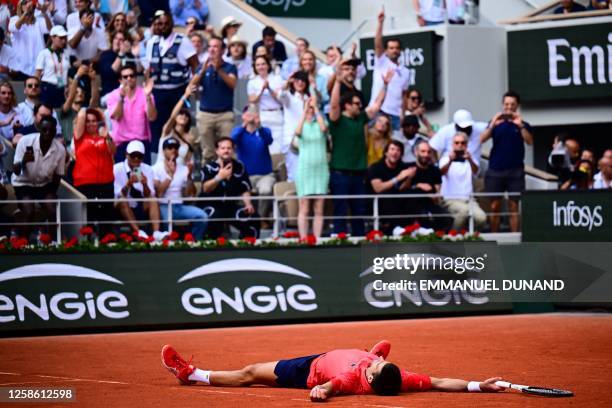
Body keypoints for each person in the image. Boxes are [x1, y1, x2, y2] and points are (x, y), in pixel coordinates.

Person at [161, 341, 503, 401]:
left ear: (369, 377)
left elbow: (329, 390)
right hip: (340, 356)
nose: (380, 364)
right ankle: (364, 349)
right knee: (373, 349)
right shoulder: (403, 378)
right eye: (380, 361)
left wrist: (320, 391)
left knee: (250, 372)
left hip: (307, 369)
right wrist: (477, 385)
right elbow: (441, 382)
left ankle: (192, 374)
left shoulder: (351, 379)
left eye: (377, 364)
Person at [328, 64, 391, 237]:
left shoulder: (361, 118)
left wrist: (385, 85)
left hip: (359, 174)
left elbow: (376, 105)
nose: (360, 106)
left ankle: (359, 238)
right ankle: (339, 238)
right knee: (340, 210)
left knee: (359, 210)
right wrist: (338, 82)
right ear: (347, 105)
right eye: (356, 103)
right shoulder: (337, 120)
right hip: (340, 174)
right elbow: (334, 105)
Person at [143, 11, 198, 157]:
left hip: (177, 91)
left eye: (166, 23)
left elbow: (195, 65)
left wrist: (193, 86)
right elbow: (148, 68)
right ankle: (157, 162)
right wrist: (147, 85)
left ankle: (181, 160)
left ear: (172, 24)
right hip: (157, 92)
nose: (163, 26)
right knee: (156, 128)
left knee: (179, 127)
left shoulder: (182, 41)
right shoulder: (152, 43)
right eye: (160, 24)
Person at [480, 91, 533, 233]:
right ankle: (494, 237)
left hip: (515, 171)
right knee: (494, 206)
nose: (509, 107)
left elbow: (529, 141)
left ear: (517, 106)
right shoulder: (495, 123)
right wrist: (492, 124)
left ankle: (515, 238)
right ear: (503, 105)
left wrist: (520, 125)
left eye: (512, 104)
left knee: (513, 205)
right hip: (495, 169)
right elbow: (482, 139)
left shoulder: (523, 124)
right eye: (506, 104)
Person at [11, 115, 65, 239]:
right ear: (39, 129)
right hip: (23, 183)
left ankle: (53, 243)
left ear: (55, 132)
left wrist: (51, 194)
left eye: (51, 130)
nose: (47, 133)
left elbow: (57, 177)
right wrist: (24, 161)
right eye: (45, 129)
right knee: (29, 211)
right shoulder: (25, 141)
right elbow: (16, 171)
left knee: (52, 209)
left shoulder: (60, 150)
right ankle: (23, 244)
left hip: (44, 185)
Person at [199, 137, 259, 239]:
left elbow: (244, 189)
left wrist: (248, 204)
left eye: (229, 148)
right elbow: (206, 188)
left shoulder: (239, 166)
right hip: (211, 205)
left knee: (252, 217)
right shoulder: (209, 167)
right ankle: (213, 249)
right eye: (223, 148)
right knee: (214, 218)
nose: (226, 150)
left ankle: (247, 248)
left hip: (230, 206)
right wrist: (219, 177)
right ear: (217, 151)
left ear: (233, 150)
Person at [193, 36, 237, 163]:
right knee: (208, 152)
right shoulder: (202, 67)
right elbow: (192, 85)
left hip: (225, 115)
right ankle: (207, 180)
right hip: (206, 114)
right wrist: (202, 71)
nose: (212, 49)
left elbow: (232, 84)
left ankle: (229, 179)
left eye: (216, 46)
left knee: (227, 151)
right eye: (210, 46)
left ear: (222, 50)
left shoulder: (230, 67)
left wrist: (219, 70)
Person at [153, 137, 207, 240]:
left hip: (179, 206)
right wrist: (170, 175)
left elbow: (190, 194)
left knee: (202, 216)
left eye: (176, 148)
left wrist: (189, 176)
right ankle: (165, 247)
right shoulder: (155, 168)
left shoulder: (184, 169)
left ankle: (193, 243)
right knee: (165, 221)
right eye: (170, 147)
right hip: (163, 205)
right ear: (164, 151)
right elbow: (158, 193)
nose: (173, 150)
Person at [72, 107, 116, 235]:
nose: (91, 123)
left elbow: (113, 151)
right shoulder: (79, 136)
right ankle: (87, 245)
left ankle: (106, 242)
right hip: (85, 184)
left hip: (106, 182)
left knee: (106, 217)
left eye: (94, 121)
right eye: (88, 121)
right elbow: (80, 115)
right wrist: (89, 108)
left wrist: (107, 136)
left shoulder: (105, 136)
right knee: (88, 217)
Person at [113, 139, 167, 240]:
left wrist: (145, 184)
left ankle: (156, 233)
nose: (136, 159)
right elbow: (119, 195)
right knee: (123, 200)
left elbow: (149, 194)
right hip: (122, 207)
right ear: (126, 154)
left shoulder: (147, 169)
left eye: (139, 156)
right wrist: (129, 184)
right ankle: (138, 232)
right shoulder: (117, 169)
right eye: (133, 155)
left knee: (152, 199)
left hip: (140, 206)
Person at [231, 106, 275, 227]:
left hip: (264, 175)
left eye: (253, 113)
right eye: (248, 113)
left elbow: (269, 140)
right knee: (237, 191)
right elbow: (232, 140)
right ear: (243, 116)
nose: (251, 115)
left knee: (266, 190)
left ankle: (261, 218)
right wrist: (244, 124)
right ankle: (243, 219)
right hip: (244, 176)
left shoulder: (264, 131)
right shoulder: (239, 132)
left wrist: (259, 125)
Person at [107, 64, 157, 163]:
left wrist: (148, 97)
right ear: (120, 80)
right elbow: (116, 116)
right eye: (125, 77)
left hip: (141, 141)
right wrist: (121, 98)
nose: (129, 78)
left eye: (132, 75)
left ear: (136, 77)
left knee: (141, 176)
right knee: (123, 176)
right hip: (122, 143)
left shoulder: (145, 93)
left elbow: (152, 117)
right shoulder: (113, 95)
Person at [294, 96, 329, 239]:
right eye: (307, 106)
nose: (310, 108)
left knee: (319, 208)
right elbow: (297, 133)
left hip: (321, 169)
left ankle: (318, 239)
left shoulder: (321, 122)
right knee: (304, 206)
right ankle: (303, 239)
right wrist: (304, 112)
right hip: (305, 169)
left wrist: (316, 109)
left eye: (312, 106)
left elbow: (324, 128)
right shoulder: (301, 123)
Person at [372, 8, 411, 131]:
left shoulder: (406, 71)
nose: (394, 50)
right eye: (391, 48)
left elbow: (404, 95)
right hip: (379, 111)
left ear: (400, 50)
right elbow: (378, 43)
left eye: (396, 48)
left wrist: (403, 114)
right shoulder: (382, 62)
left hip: (395, 115)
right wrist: (380, 23)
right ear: (386, 50)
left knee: (394, 149)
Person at [439, 133, 486, 230]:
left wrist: (470, 159)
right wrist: (450, 160)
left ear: (466, 145)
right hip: (450, 200)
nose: (459, 145)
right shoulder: (444, 159)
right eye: (456, 143)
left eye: (462, 143)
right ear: (452, 145)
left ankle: (469, 235)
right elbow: (441, 173)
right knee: (463, 212)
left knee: (482, 218)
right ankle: (453, 237)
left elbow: (476, 172)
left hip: (469, 200)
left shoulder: (471, 159)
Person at [368, 140, 417, 234]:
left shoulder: (402, 166)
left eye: (398, 150)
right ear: (386, 152)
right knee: (386, 195)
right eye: (392, 149)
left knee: (410, 194)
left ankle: (412, 227)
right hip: (379, 203)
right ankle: (396, 227)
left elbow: (402, 189)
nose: (395, 152)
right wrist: (398, 178)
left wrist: (409, 178)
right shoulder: (376, 167)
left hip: (398, 202)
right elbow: (378, 188)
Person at [406, 140, 451, 230]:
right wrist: (418, 185)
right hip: (411, 206)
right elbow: (403, 189)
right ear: (416, 152)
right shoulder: (408, 167)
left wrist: (436, 196)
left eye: (428, 152)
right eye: (423, 151)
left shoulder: (435, 170)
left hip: (430, 205)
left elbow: (437, 193)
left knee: (447, 218)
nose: (426, 155)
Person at [247, 55, 283, 154]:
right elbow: (253, 100)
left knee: (278, 145)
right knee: (264, 144)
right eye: (258, 65)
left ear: (268, 65)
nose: (261, 67)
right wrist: (262, 90)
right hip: (262, 114)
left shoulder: (277, 79)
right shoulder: (252, 82)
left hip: (277, 113)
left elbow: (281, 99)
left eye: (263, 64)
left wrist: (269, 89)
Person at [279, 70, 310, 182]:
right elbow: (281, 94)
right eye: (297, 80)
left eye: (302, 80)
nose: (300, 83)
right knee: (294, 175)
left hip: (308, 139)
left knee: (307, 174)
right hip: (292, 139)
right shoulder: (289, 96)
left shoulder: (309, 98)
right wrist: (288, 81)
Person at [9, 0, 52, 78]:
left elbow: (51, 30)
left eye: (29, 2)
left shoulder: (38, 21)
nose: (28, 5)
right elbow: (14, 28)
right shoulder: (14, 19)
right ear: (20, 6)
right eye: (25, 3)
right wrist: (25, 13)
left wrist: (44, 13)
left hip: (38, 67)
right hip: (21, 67)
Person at [158, 84, 197, 167]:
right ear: (175, 117)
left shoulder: (190, 138)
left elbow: (188, 161)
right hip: (161, 172)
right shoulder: (167, 131)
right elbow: (172, 116)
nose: (184, 116)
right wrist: (185, 95)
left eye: (187, 115)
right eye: (181, 114)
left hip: (179, 174)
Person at [59, 65, 98, 147]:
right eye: (76, 92)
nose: (80, 94)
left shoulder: (86, 111)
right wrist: (77, 76)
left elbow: (94, 100)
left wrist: (93, 80)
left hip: (84, 145)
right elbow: (70, 98)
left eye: (82, 92)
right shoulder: (65, 110)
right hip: (68, 146)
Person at [34, 25, 69, 109]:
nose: (63, 41)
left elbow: (66, 72)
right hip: (48, 87)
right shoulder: (44, 53)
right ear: (52, 38)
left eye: (65, 38)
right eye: (60, 38)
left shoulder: (66, 53)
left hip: (61, 88)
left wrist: (67, 87)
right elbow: (37, 75)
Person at [99, 30, 139, 98]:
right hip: (109, 94)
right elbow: (110, 73)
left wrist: (135, 54)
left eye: (121, 39)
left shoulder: (129, 56)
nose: (118, 41)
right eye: (116, 38)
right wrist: (121, 54)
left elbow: (138, 71)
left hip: (127, 94)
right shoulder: (105, 55)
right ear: (112, 40)